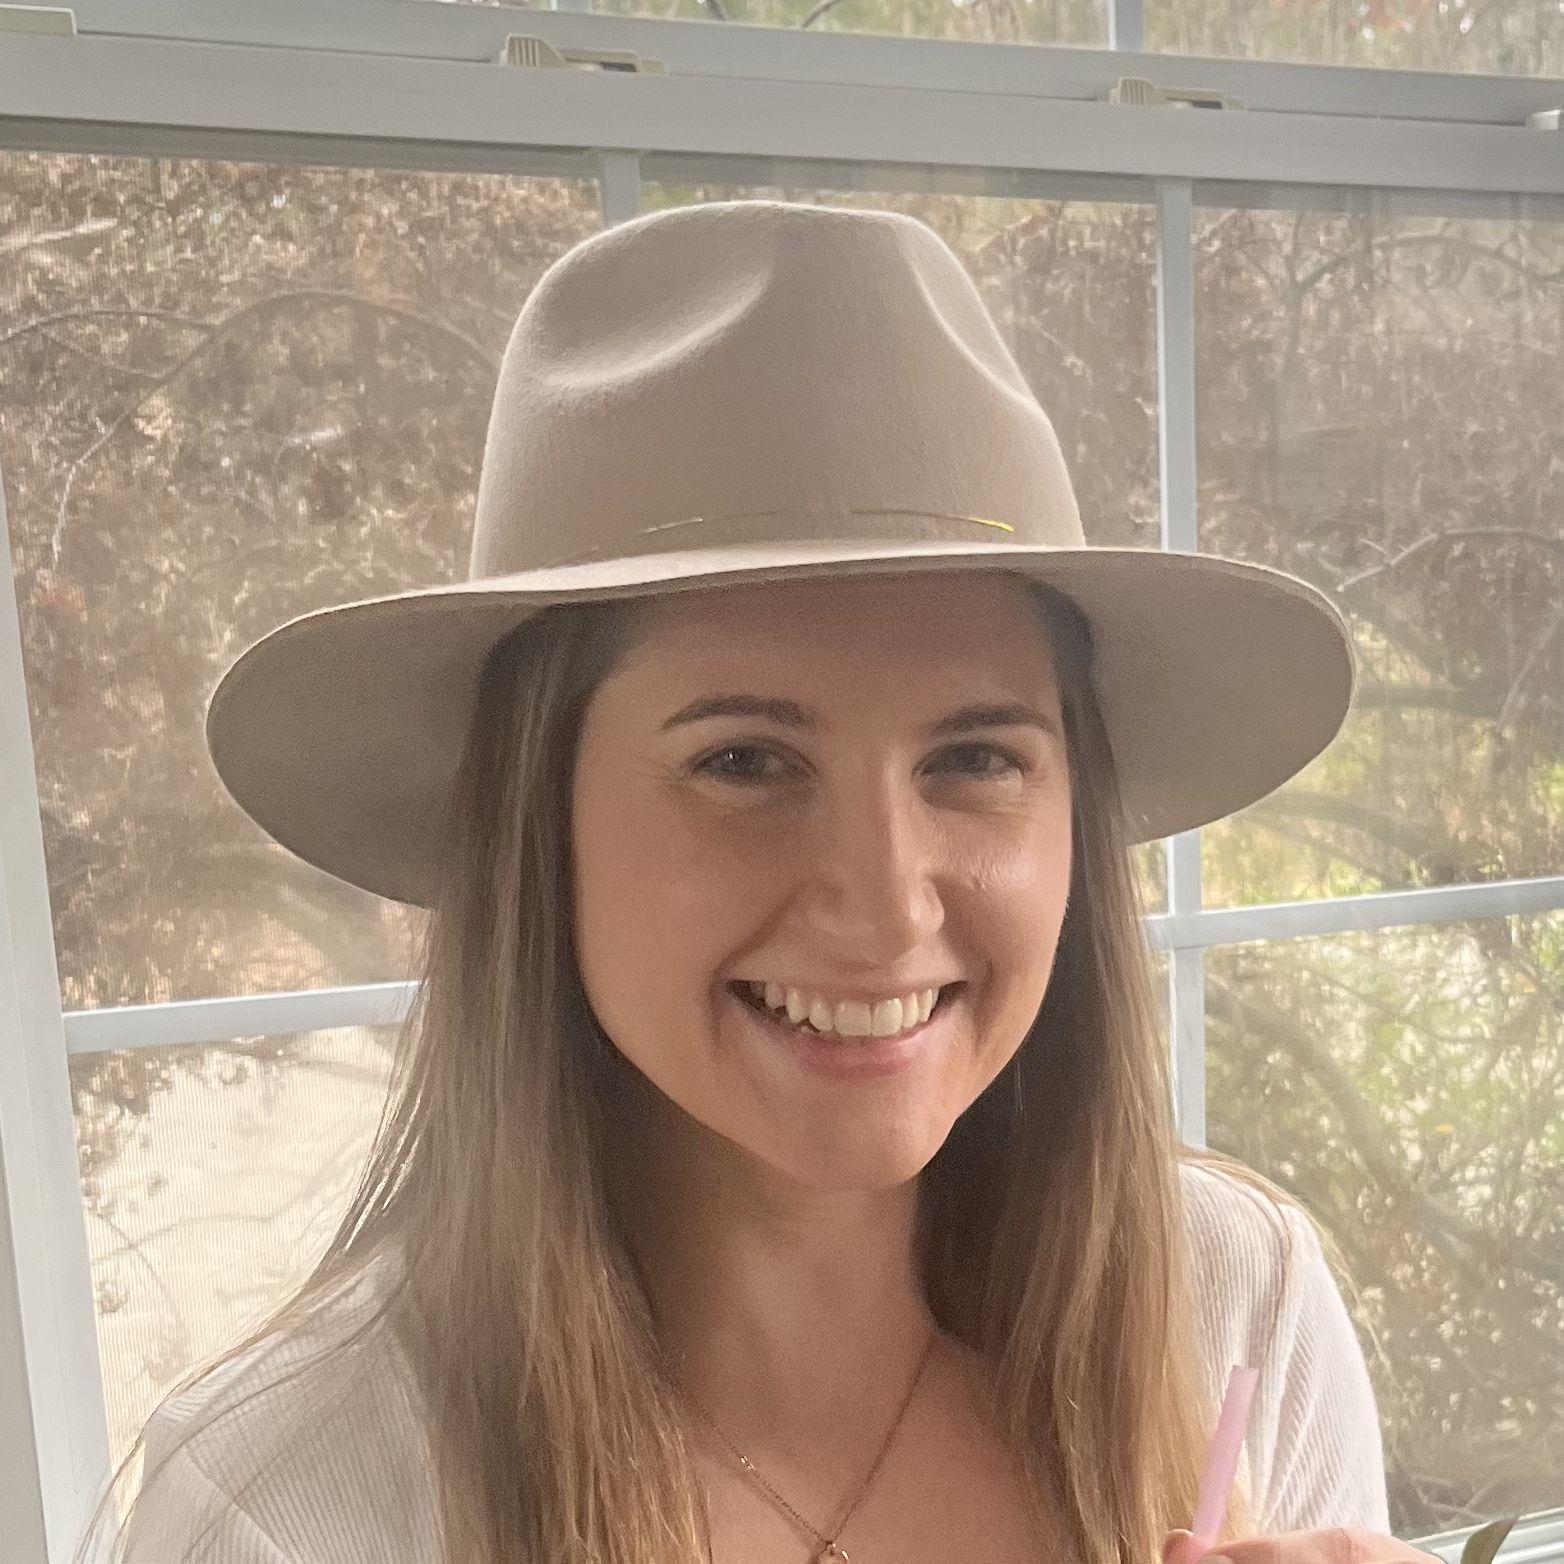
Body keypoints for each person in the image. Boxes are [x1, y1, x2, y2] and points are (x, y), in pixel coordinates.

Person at [78, 199, 1437, 1564]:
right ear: (538, 825)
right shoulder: (290, 1505)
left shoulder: (1239, 1313)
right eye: (744, 761)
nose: (889, 905)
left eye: (974, 757)